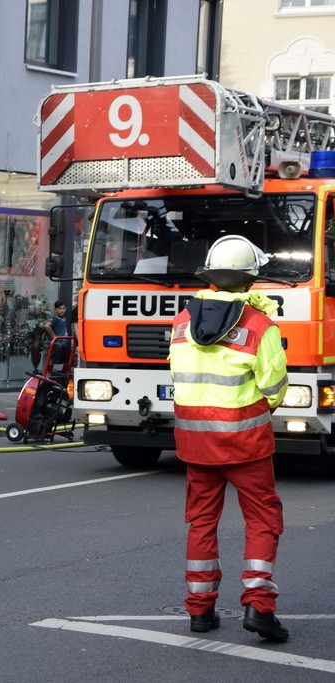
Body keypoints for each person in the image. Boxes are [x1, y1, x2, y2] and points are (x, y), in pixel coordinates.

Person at [168, 235, 290, 641]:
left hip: (195, 443)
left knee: (202, 522)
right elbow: (274, 387)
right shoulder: (260, 326)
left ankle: (200, 612)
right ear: (250, 279)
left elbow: (179, 378)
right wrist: (255, 412)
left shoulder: (182, 322)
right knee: (262, 519)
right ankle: (259, 606)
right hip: (246, 445)